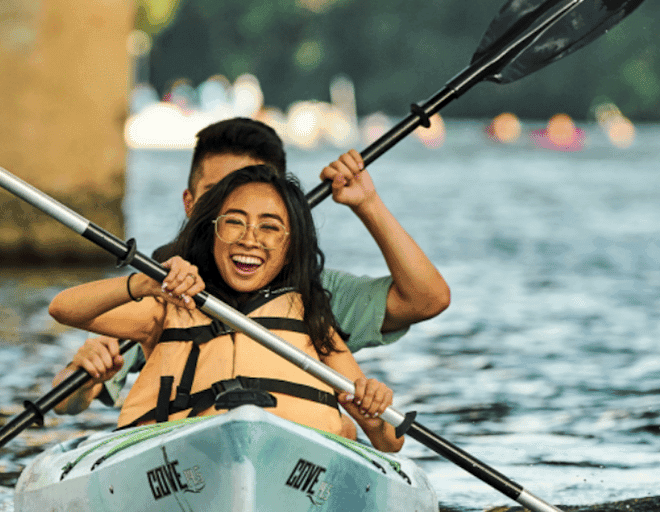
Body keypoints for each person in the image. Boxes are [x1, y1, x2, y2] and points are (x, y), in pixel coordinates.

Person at [51, 117, 450, 420]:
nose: (242, 220)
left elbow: (427, 299)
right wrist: (86, 374)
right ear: (192, 205)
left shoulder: (315, 295)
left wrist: (368, 204)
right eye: (220, 199)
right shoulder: (163, 289)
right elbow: (68, 399)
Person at [49, 165, 404, 451]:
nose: (250, 238)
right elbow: (64, 308)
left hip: (292, 464)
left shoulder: (312, 317)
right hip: (177, 459)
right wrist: (142, 284)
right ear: (211, 232)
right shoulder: (168, 306)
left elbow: (390, 441)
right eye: (234, 222)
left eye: (269, 227)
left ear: (290, 245)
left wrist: (373, 416)